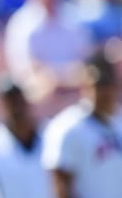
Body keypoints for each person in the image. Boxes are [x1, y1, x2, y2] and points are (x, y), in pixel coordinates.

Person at [41, 49, 122, 198]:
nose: (105, 92)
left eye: (108, 84)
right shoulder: (67, 127)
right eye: (99, 85)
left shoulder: (119, 120)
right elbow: (61, 185)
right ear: (85, 85)